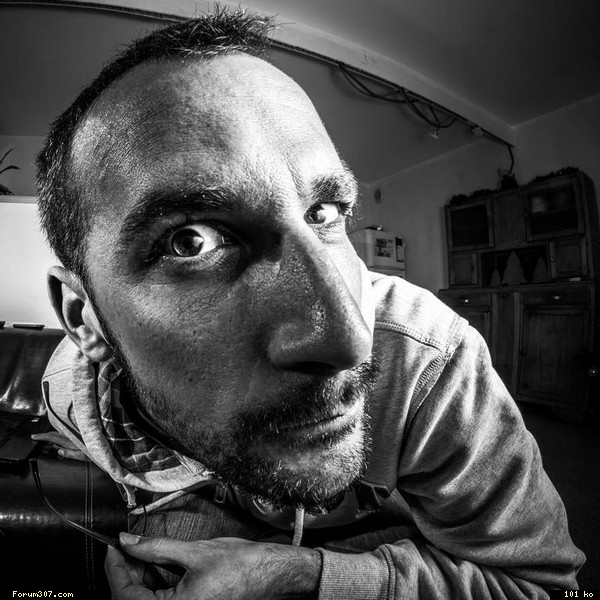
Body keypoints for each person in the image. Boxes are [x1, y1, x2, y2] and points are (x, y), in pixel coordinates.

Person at [34, 8, 584, 599]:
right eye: (190, 241)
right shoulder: (69, 396)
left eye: (324, 213)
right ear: (85, 319)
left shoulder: (426, 361)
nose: (351, 340)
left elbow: (544, 587)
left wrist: (301, 576)